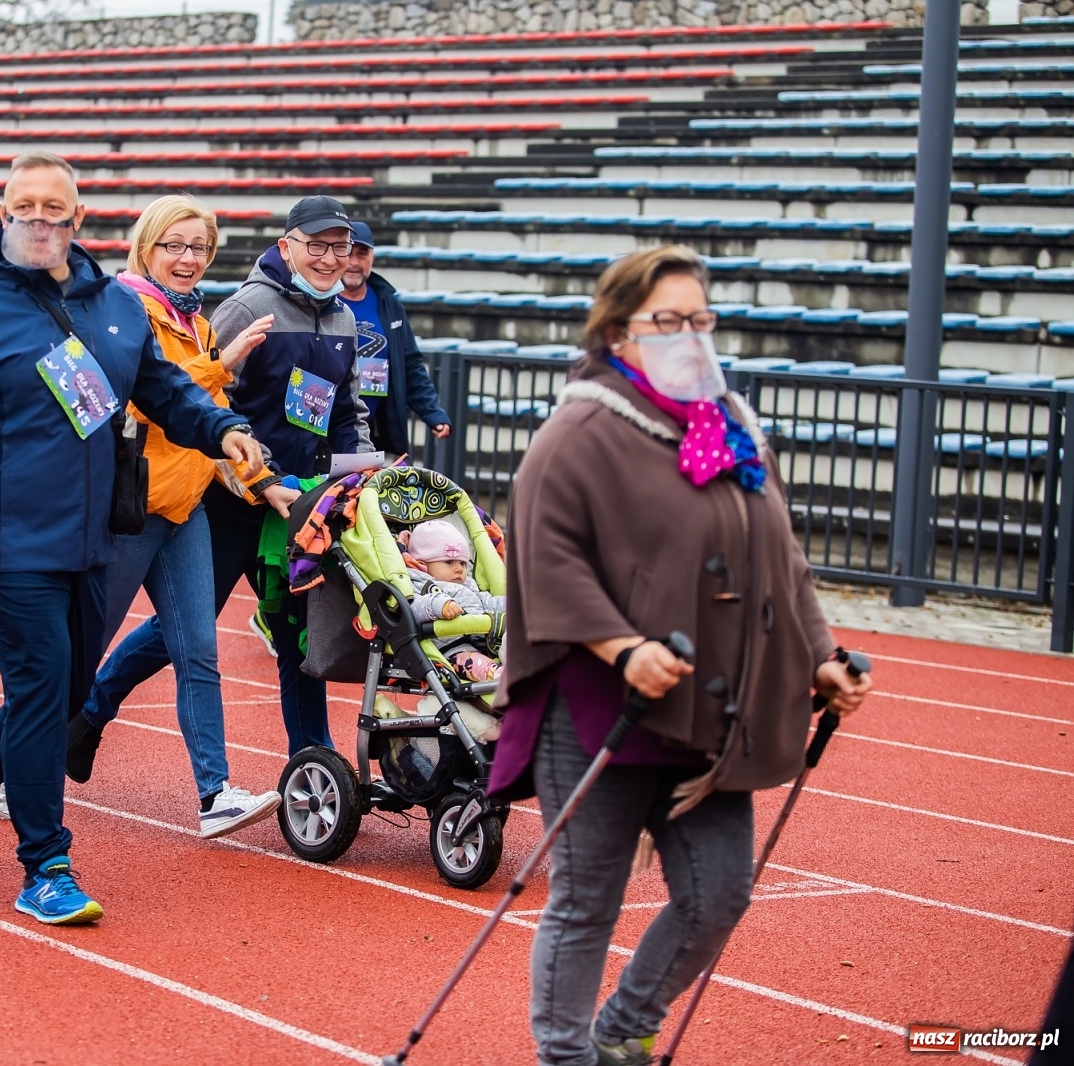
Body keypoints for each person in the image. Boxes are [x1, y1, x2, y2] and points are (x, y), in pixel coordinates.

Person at [487, 245, 873, 1066]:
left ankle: (625, 1027)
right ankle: (566, 1055)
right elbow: (545, 554)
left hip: (710, 709)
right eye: (669, 322)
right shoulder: (582, 426)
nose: (690, 337)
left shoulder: (728, 421)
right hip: (600, 710)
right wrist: (621, 647)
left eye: (701, 320)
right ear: (620, 331)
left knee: (718, 894)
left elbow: (782, 556)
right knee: (588, 901)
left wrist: (820, 657)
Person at [0, 152, 263, 926]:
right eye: (25, 207)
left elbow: (165, 389)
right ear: (2, 213)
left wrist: (222, 428)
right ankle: (45, 864)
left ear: (78, 220)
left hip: (94, 538)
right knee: (43, 686)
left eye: (55, 209)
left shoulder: (115, 309)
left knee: (55, 693)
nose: (40, 222)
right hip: (8, 543)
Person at [75, 195, 370, 769]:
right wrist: (257, 473)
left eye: (340, 247)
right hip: (233, 498)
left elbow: (345, 408)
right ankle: (90, 711)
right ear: (287, 248)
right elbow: (207, 400)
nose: (330, 259)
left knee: (297, 629)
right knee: (180, 633)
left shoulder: (344, 318)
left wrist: (357, 464)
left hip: (300, 503)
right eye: (317, 245)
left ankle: (313, 761)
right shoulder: (246, 307)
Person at [65, 194, 284, 839]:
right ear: (146, 247)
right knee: (77, 655)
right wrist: (223, 366)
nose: (188, 259)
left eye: (199, 248)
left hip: (185, 507)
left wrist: (259, 481)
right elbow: (154, 391)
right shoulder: (124, 306)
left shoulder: (198, 324)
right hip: (130, 509)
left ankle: (214, 791)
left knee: (199, 650)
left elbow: (208, 421)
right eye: (175, 245)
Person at [340, 220, 451, 461]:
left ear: (373, 257)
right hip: (330, 433)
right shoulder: (321, 302)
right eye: (348, 253)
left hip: (378, 432)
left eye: (362, 254)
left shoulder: (388, 303)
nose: (354, 262)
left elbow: (409, 363)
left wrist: (432, 412)